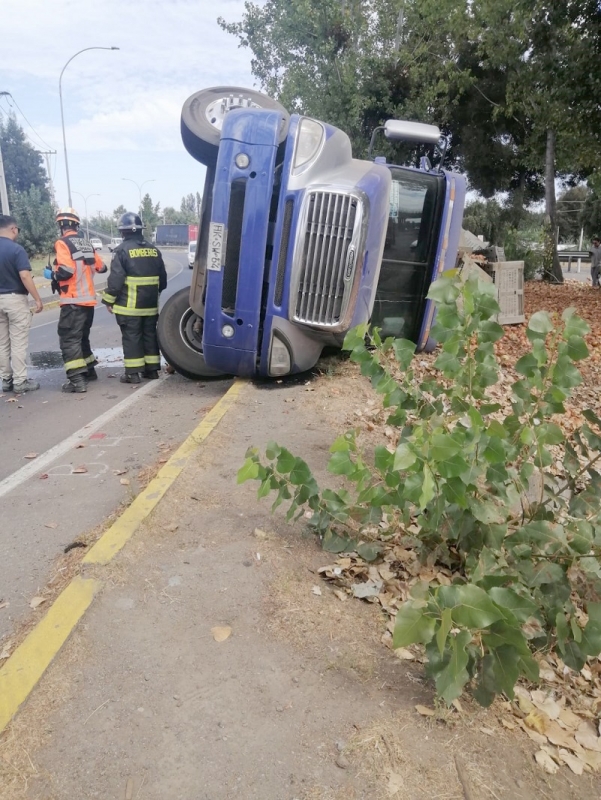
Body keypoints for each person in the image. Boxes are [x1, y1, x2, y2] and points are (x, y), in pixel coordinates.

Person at [102, 212, 167, 383]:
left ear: (123, 232)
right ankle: (152, 370)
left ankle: (133, 373)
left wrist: (108, 300)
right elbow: (164, 281)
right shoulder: (154, 250)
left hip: (129, 307)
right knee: (149, 335)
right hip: (151, 306)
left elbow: (116, 281)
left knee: (132, 337)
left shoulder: (121, 251)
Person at [52, 207, 107, 393]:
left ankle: (77, 380)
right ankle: (90, 372)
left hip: (72, 300)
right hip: (88, 301)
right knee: (82, 338)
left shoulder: (62, 243)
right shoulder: (86, 243)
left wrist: (52, 273)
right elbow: (102, 268)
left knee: (69, 340)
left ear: (61, 225)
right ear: (76, 224)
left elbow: (66, 270)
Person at [0, 214, 44, 393]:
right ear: (13, 229)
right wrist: (37, 298)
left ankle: (6, 380)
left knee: (2, 343)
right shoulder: (16, 250)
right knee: (18, 342)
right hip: (15, 300)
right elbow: (25, 275)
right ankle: (20, 382)